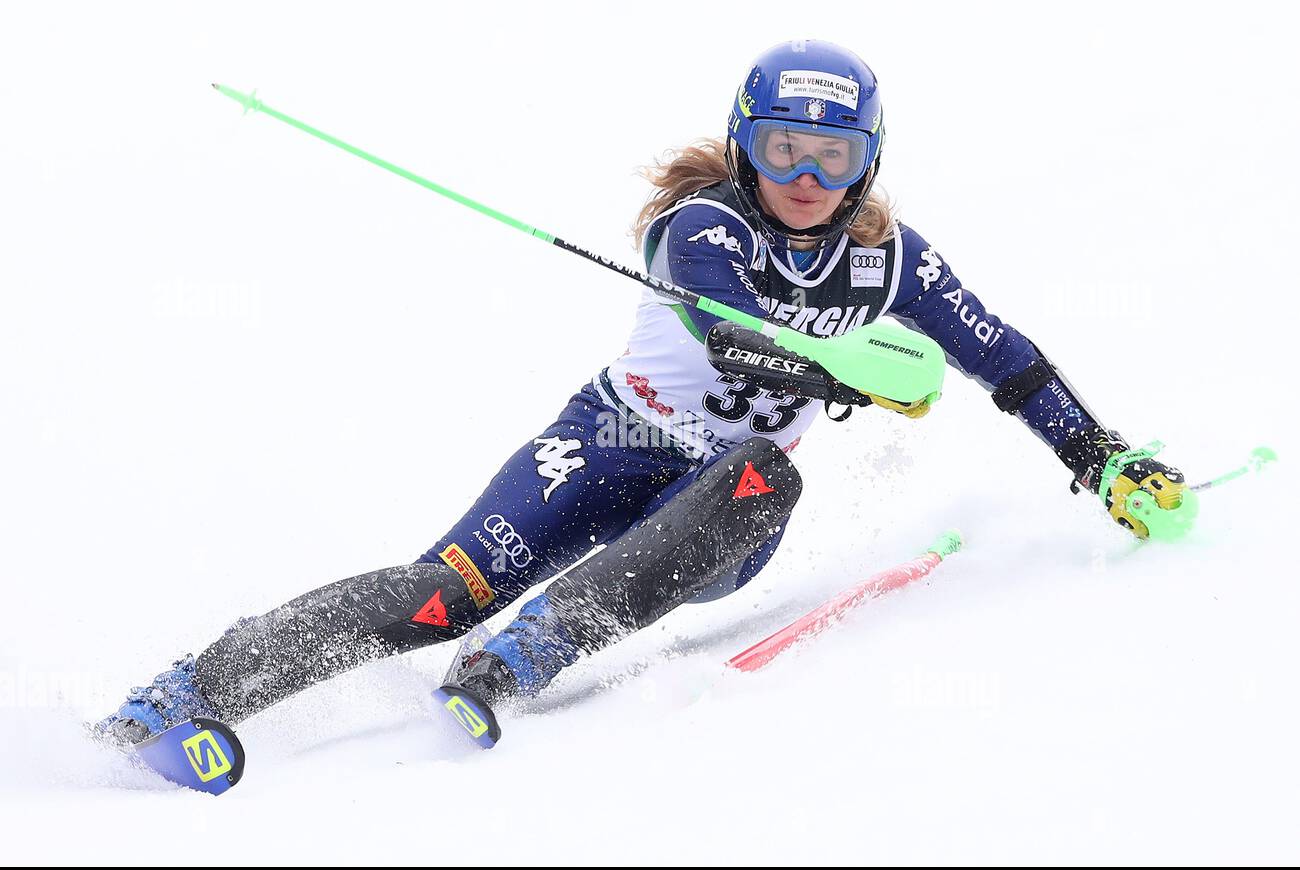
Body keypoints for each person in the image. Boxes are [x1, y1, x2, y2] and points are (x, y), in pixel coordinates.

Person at [95, 39, 1185, 746]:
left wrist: (1104, 458)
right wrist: (848, 367)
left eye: (832, 156)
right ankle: (186, 691)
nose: (803, 176)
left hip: (716, 510)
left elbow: (1010, 359)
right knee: (440, 590)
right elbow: (727, 331)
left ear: (866, 163)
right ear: (742, 142)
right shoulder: (699, 222)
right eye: (780, 148)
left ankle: (540, 643)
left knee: (764, 474)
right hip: (607, 439)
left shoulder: (890, 261)